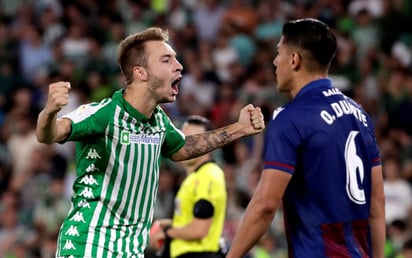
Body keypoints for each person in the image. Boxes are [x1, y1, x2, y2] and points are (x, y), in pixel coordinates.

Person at [35, 27, 265, 257]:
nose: (179, 65)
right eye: (167, 60)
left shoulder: (158, 122)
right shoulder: (104, 113)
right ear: (141, 72)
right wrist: (49, 112)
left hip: (131, 248)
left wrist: (240, 129)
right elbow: (49, 134)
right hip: (90, 243)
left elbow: (182, 147)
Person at [226, 18, 385, 258]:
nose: (274, 61)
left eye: (279, 53)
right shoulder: (360, 114)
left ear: (294, 60)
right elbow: (377, 203)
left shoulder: (290, 118)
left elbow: (265, 204)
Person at [150, 115, 227, 258]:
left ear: (209, 145)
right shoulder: (193, 178)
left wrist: (166, 232)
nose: (187, 144)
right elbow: (191, 221)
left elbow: (199, 229)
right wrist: (166, 224)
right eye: (184, 139)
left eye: (193, 139)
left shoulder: (208, 175)